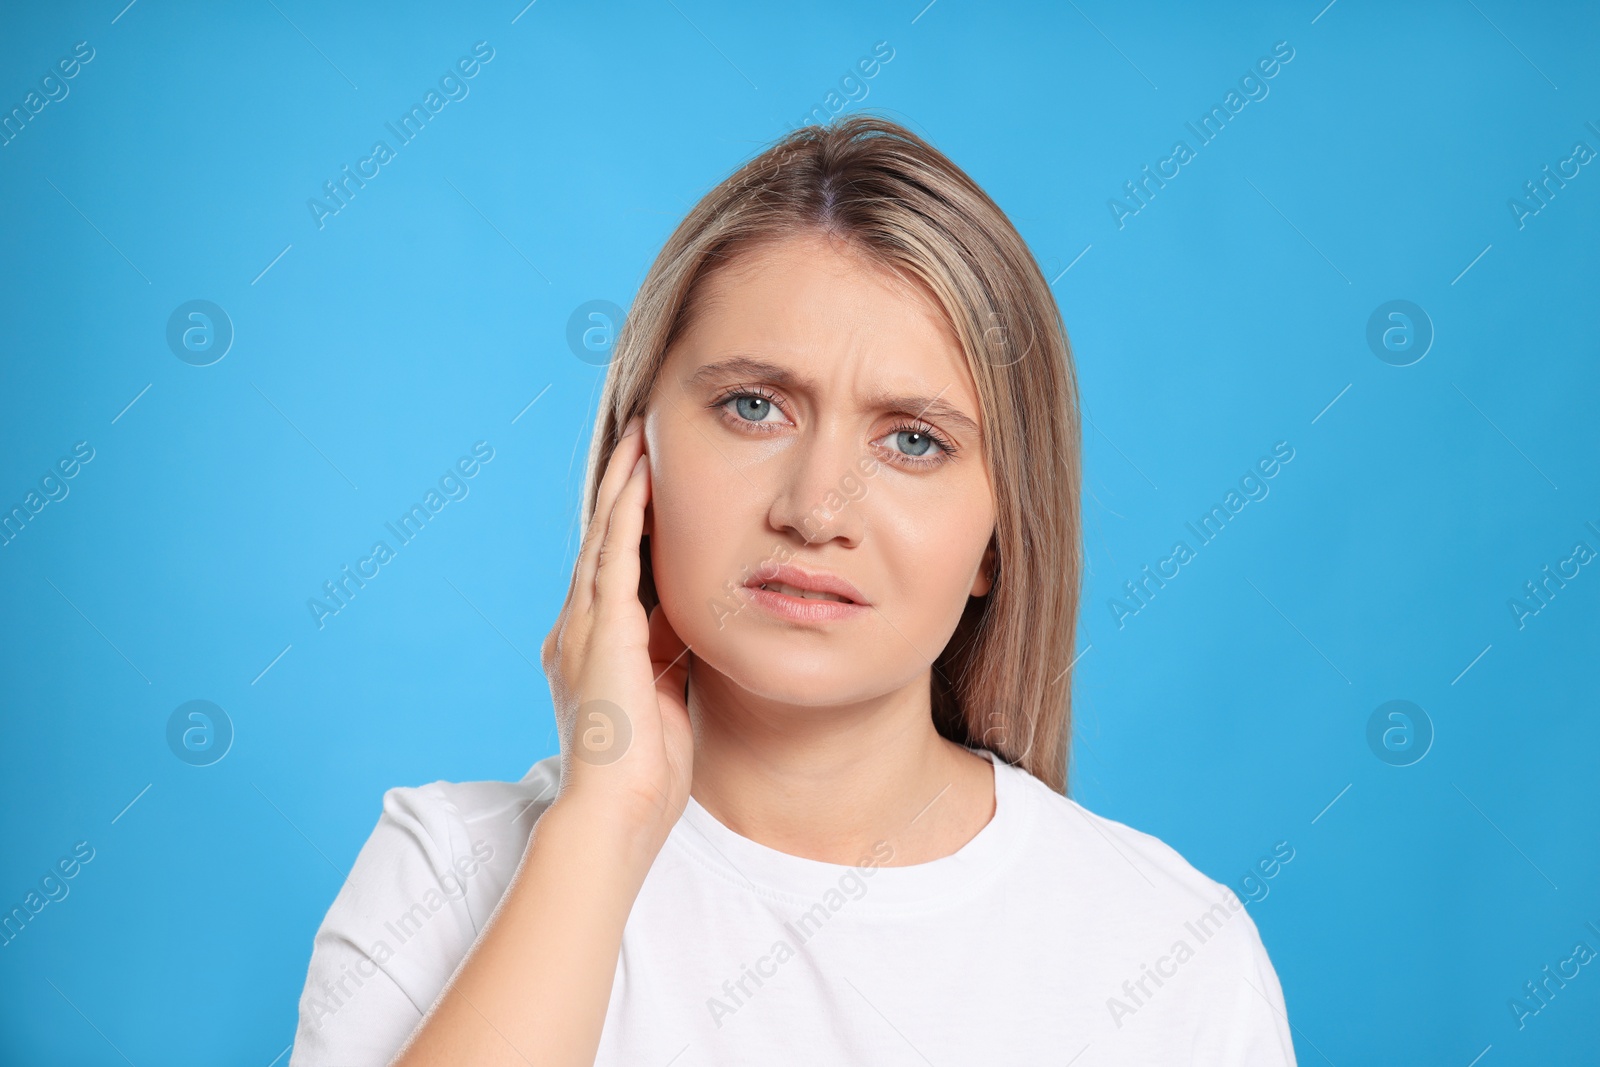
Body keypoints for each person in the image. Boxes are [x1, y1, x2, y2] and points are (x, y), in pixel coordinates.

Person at [288, 115, 1298, 1066]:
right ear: (632, 464)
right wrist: (601, 822)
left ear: (998, 536)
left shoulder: (1171, 951)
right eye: (753, 405)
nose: (817, 508)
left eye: (913, 440)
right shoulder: (442, 873)